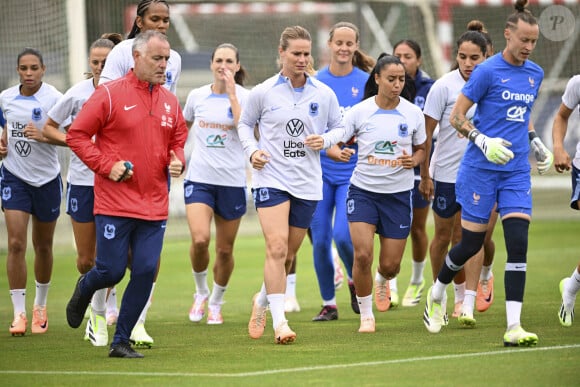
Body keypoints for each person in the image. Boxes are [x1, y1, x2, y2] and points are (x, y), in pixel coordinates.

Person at [423, 0, 552, 347]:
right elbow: (457, 118)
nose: (527, 47)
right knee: (471, 244)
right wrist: (483, 140)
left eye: (533, 42)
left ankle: (513, 326)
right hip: (479, 170)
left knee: (518, 244)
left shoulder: (535, 74)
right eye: (523, 39)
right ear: (508, 35)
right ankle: (436, 294)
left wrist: (536, 141)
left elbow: (520, 114)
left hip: (515, 173)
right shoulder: (485, 72)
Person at [65, 30, 187, 358]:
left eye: (166, 59)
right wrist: (107, 165)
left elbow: (178, 138)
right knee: (111, 270)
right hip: (115, 201)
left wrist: (178, 159)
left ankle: (121, 341)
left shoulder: (170, 101)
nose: (164, 65)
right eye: (157, 59)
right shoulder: (107, 95)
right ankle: (85, 287)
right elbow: (77, 135)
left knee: (146, 270)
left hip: (155, 203)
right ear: (136, 58)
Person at [238, 25, 346, 344]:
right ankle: (280, 322)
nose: (301, 59)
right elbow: (245, 125)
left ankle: (261, 300)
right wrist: (253, 151)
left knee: (287, 256)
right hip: (270, 178)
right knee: (277, 246)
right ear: (282, 52)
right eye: (295, 53)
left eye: (305, 53)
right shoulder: (263, 91)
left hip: (307, 183)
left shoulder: (323, 93)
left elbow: (340, 127)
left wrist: (324, 139)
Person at [99, 0, 182, 347]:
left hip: (154, 169)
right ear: (140, 20)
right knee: (110, 262)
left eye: (166, 19)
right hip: (117, 169)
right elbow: (103, 100)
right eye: (155, 18)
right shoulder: (121, 53)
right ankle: (100, 311)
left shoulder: (174, 59)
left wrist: (173, 154)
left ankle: (137, 322)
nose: (162, 24)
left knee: (148, 258)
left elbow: (170, 113)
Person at [41, 33, 122, 346]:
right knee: (86, 261)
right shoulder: (76, 95)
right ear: (90, 64)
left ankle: (98, 316)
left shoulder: (125, 95)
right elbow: (50, 127)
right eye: (96, 62)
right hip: (83, 183)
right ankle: (89, 296)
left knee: (111, 258)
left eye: (106, 61)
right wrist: (76, 141)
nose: (101, 67)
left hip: (114, 184)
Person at [419, 21, 495, 327]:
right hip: (446, 174)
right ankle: (443, 293)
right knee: (443, 236)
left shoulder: (495, 85)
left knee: (472, 237)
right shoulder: (443, 86)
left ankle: (467, 300)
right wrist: (424, 175)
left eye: (474, 58)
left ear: (486, 56)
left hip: (481, 175)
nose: (467, 63)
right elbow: (425, 136)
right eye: (462, 57)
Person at [344, 53, 426, 333]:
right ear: (377, 79)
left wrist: (415, 162)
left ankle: (382, 279)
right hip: (363, 191)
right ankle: (366, 315)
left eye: (401, 79)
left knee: (390, 266)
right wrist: (333, 149)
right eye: (391, 79)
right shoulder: (360, 111)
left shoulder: (413, 113)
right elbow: (339, 138)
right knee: (363, 255)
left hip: (399, 196)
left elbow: (422, 149)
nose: (397, 84)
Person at [310, 21, 374, 321]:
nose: (344, 48)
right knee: (320, 239)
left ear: (356, 46)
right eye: (339, 43)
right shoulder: (316, 82)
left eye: (350, 43)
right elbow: (310, 130)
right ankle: (328, 304)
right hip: (319, 173)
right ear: (330, 45)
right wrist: (327, 148)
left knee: (343, 238)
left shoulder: (367, 82)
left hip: (353, 173)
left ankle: (353, 280)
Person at [183, 43, 249, 325]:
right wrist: (174, 156)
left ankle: (217, 302)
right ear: (211, 64)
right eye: (219, 60)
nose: (223, 65)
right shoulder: (197, 96)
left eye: (229, 61)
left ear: (237, 66)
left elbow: (242, 124)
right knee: (200, 240)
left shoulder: (247, 96)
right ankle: (201, 292)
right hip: (199, 179)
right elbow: (181, 126)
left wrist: (232, 93)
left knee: (224, 249)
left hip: (232, 182)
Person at [0, 48, 63, 336]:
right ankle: (19, 313)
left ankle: (40, 307)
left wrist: (45, 135)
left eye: (34, 67)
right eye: (23, 68)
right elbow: (4, 131)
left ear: (43, 69)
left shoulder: (55, 99)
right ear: (17, 70)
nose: (29, 73)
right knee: (15, 244)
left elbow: (73, 136)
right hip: (15, 177)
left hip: (47, 180)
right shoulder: (5, 98)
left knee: (43, 246)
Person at [391, 39, 434, 309]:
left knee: (416, 229)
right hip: (389, 169)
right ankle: (389, 283)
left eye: (408, 56)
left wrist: (425, 171)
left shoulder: (430, 89)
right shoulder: (386, 84)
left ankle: (417, 280)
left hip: (420, 168)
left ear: (418, 60)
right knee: (391, 228)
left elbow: (429, 135)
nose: (403, 60)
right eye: (398, 56)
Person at [552, 74, 580, 327]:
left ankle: (570, 287)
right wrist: (559, 148)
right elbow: (561, 116)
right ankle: (570, 292)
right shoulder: (577, 83)